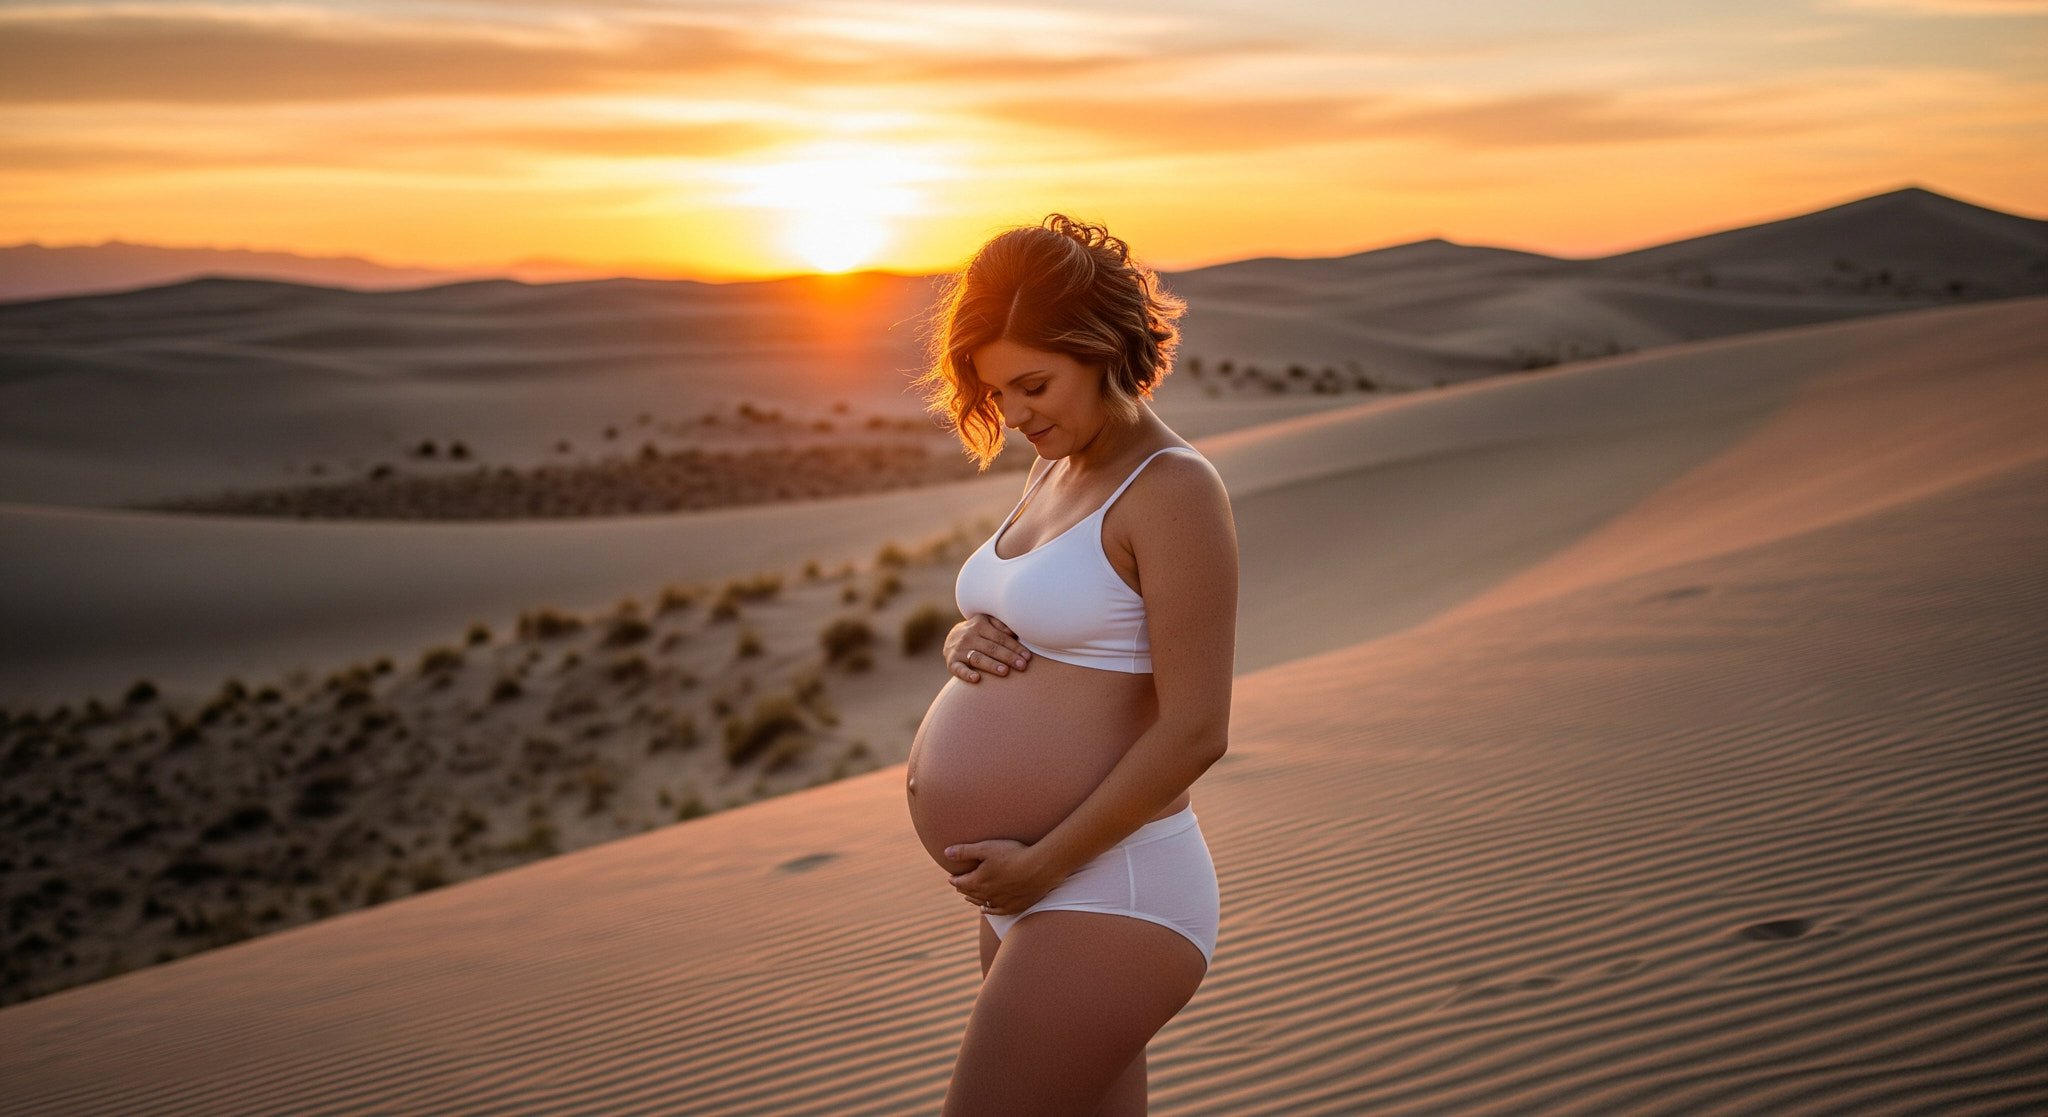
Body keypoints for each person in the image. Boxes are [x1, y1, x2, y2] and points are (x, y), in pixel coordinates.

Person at [902, 213, 1239, 1115]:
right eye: (995, 391)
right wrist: (961, 635)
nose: (1014, 415)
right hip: (1032, 890)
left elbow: (1198, 728)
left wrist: (1047, 864)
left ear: (1105, 350)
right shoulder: (1055, 470)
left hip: (1108, 886)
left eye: (1035, 383)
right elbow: (1047, 618)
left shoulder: (1172, 490)